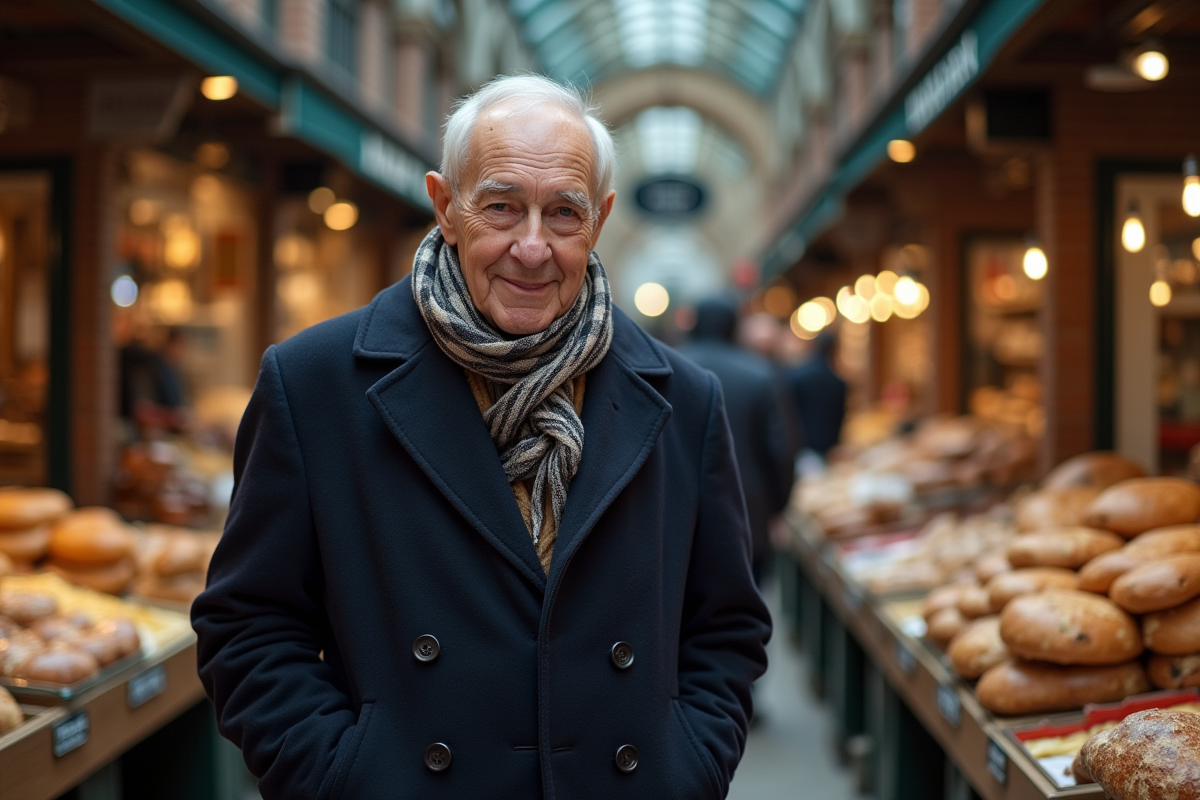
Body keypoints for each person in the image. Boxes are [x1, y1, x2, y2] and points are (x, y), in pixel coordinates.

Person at [192, 75, 770, 800]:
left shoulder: (684, 400)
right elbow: (248, 623)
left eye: (563, 212)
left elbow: (727, 628)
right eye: (501, 206)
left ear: (601, 219)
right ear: (445, 206)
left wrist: (686, 767)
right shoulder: (314, 383)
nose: (532, 247)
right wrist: (342, 778)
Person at [680, 298, 794, 585]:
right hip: (747, 514)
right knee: (746, 610)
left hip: (680, 518)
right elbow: (780, 450)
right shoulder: (759, 374)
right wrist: (778, 507)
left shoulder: (667, 370)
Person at [784, 331, 847, 461]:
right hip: (828, 446)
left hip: (801, 444)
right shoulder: (838, 382)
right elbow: (840, 415)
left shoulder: (795, 376)